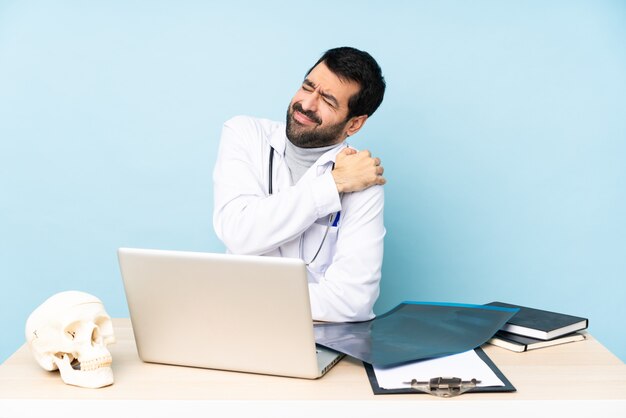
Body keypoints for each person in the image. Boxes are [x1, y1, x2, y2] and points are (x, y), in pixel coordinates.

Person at [212, 46, 386, 322]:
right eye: (307, 87)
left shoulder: (364, 180)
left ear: (354, 124)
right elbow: (238, 232)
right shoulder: (244, 134)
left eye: (328, 101)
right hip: (237, 326)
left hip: (315, 337)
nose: (307, 105)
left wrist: (244, 296)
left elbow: (353, 302)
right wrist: (334, 183)